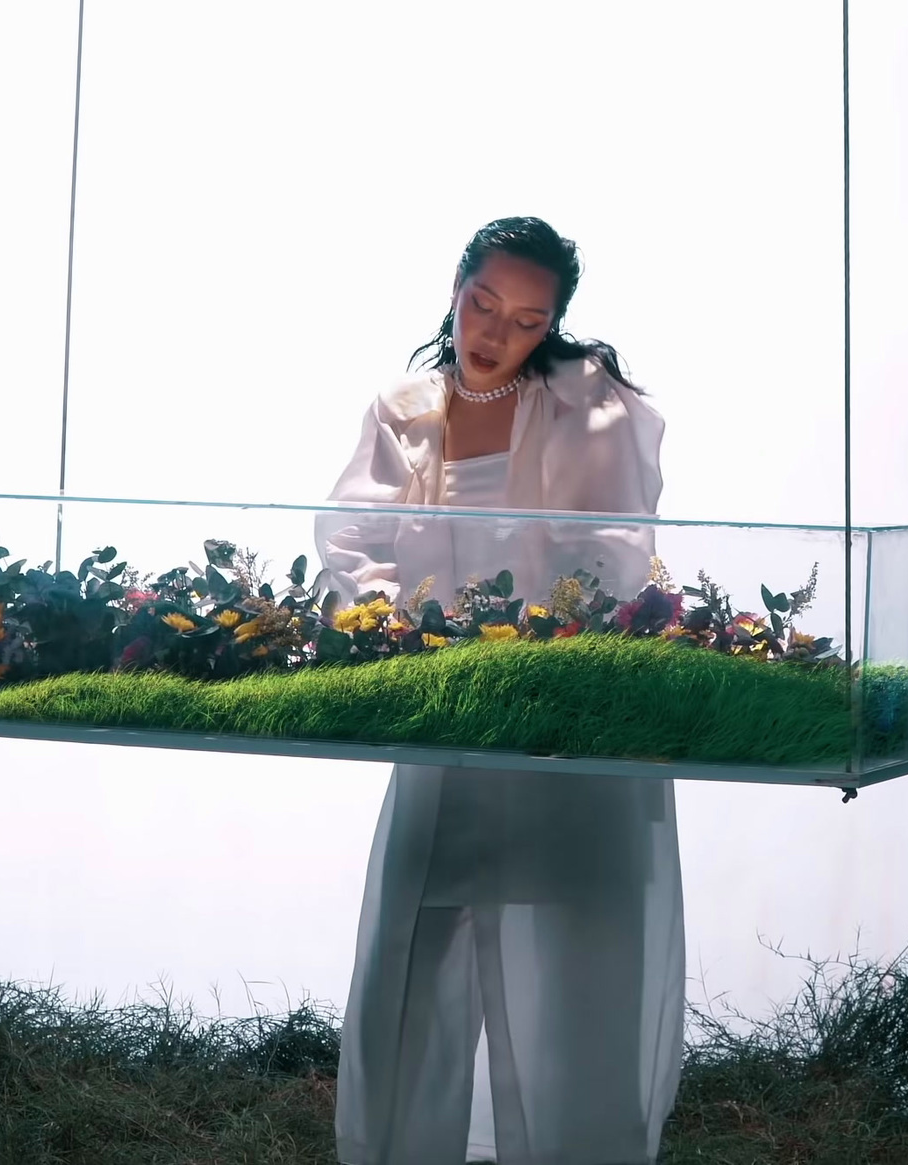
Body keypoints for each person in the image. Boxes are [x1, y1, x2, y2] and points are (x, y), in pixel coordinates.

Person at [318, 218, 685, 1164]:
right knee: (417, 946)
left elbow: (615, 551)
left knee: (575, 960)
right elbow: (351, 543)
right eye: (484, 303)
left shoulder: (585, 406)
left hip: (560, 720)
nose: (494, 332)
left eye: (526, 320)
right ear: (457, 286)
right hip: (443, 717)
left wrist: (546, 639)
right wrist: (396, 631)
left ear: (552, 325)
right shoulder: (405, 410)